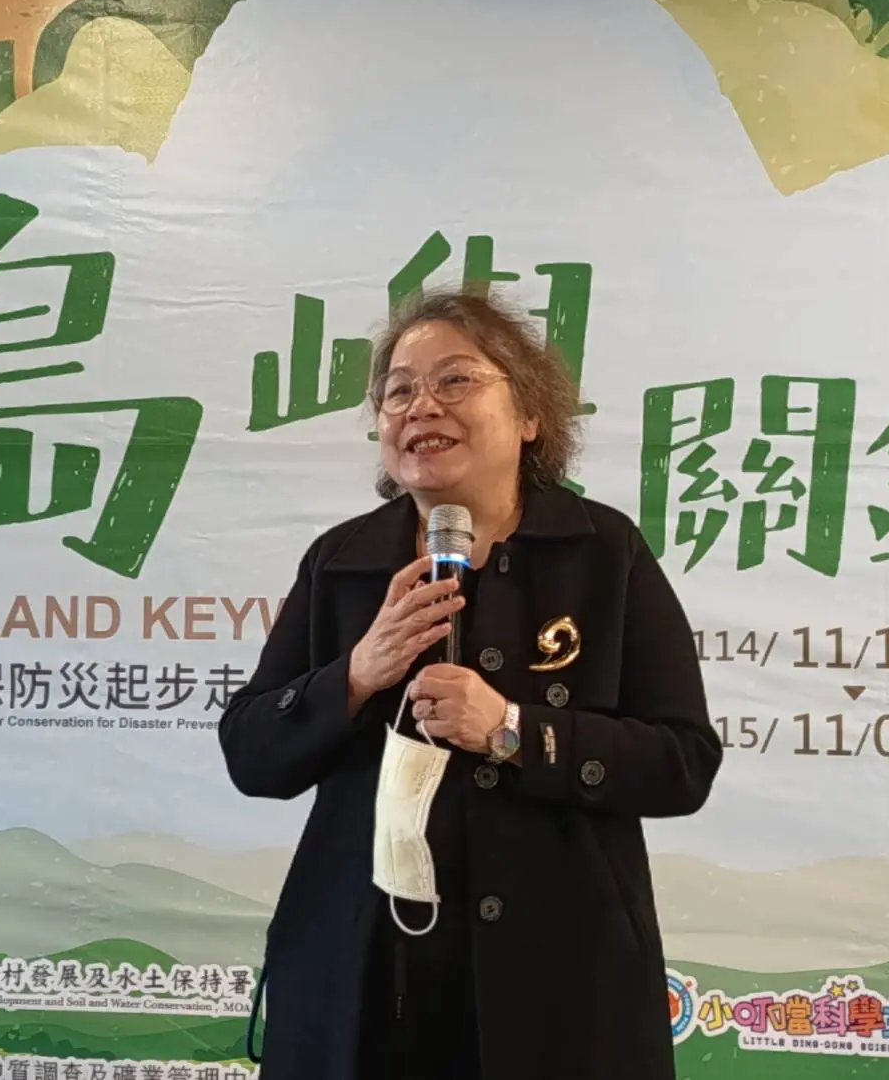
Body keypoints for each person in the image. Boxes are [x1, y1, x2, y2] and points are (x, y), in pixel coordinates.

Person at [218, 289, 722, 1080]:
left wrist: (512, 730)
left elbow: (681, 763)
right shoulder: (343, 561)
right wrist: (356, 674)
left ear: (529, 416)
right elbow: (252, 755)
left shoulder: (601, 553)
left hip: (558, 979)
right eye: (397, 392)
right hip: (364, 975)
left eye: (455, 380)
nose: (421, 406)